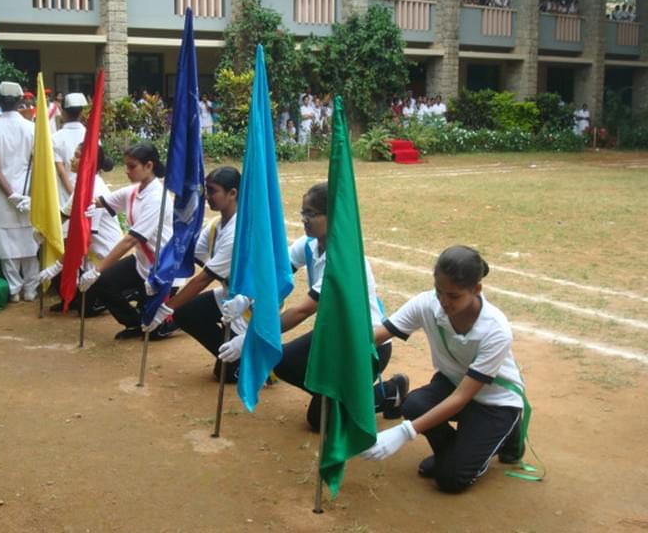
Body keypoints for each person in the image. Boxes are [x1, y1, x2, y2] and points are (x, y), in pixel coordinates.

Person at [218, 182, 408, 429]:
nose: (305, 220)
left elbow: (303, 310)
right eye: (303, 213)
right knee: (282, 362)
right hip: (332, 336)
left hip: (365, 345)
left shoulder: (342, 259)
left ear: (333, 216)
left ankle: (389, 392)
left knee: (319, 421)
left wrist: (251, 338)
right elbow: (276, 274)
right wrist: (246, 297)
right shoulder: (309, 244)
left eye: (311, 214)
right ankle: (332, 394)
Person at [360, 245, 526, 494]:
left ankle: (507, 433)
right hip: (454, 382)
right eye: (439, 292)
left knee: (451, 480)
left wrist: (404, 432)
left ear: (476, 289)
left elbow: (462, 398)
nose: (444, 302)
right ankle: (451, 454)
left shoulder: (496, 330)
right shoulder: (427, 304)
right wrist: (346, 345)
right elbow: (377, 336)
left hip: (494, 401)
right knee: (414, 404)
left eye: (454, 295)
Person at [78, 142, 175, 339]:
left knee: (155, 332)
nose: (127, 171)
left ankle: (173, 316)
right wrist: (83, 205)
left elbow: (130, 240)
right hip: (142, 262)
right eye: (126, 166)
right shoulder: (133, 191)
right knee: (104, 283)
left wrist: (97, 270)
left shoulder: (157, 198)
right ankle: (134, 322)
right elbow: (102, 201)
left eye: (132, 166)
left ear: (149, 166)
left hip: (161, 267)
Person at [150, 167, 242, 349]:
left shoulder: (236, 232)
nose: (207, 196)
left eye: (213, 191)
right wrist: (158, 273)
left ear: (232, 193)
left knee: (180, 308)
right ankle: (225, 352)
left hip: (247, 302)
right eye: (206, 190)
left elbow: (204, 279)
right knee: (186, 312)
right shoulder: (216, 225)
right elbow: (188, 253)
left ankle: (240, 354)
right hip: (229, 292)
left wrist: (166, 308)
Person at [40, 143, 123, 313]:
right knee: (50, 246)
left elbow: (82, 239)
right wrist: (39, 221)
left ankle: (123, 292)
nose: (72, 159)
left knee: (88, 310)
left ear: (88, 161)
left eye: (77, 156)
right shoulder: (82, 184)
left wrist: (56, 266)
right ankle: (71, 298)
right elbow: (64, 215)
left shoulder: (95, 189)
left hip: (103, 254)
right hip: (90, 250)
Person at [0, 82, 38, 303]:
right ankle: (30, 288)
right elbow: (38, 165)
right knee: (29, 241)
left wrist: (10, 194)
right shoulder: (32, 128)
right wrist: (24, 194)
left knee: (7, 242)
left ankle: (14, 289)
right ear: (20, 101)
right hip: (27, 191)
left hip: (1, 192)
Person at [53, 92, 88, 204]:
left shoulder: (55, 137)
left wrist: (74, 196)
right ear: (82, 113)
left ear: (63, 112)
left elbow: (61, 172)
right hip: (87, 192)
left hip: (65, 197)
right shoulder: (91, 135)